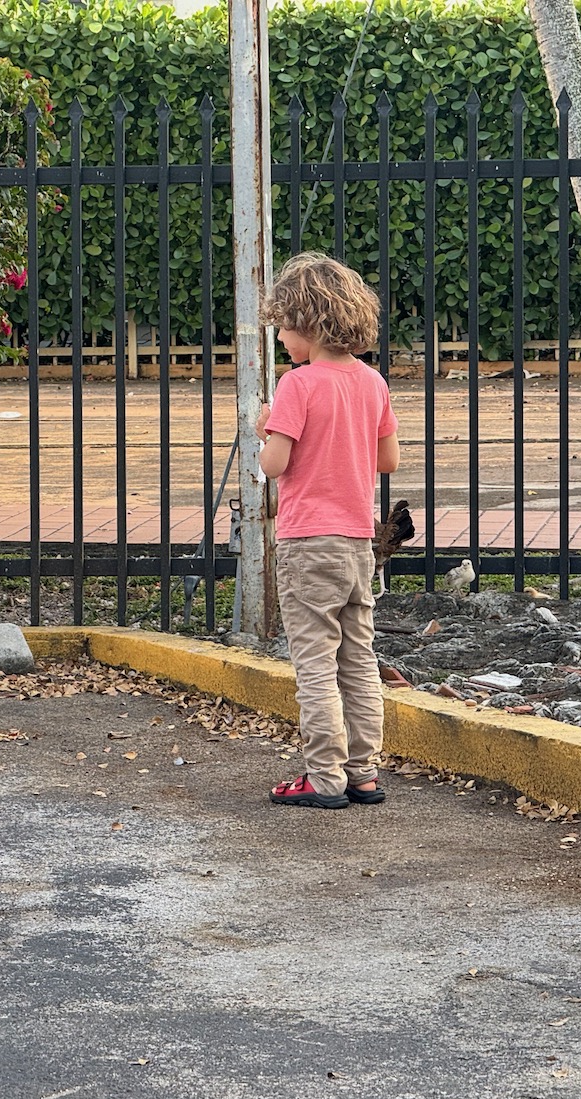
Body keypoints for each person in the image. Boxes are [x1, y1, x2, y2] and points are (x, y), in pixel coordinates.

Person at [254, 252, 400, 809]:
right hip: (357, 542)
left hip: (307, 542)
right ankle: (364, 771)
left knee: (314, 661)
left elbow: (273, 465)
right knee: (358, 660)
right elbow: (387, 461)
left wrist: (265, 426)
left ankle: (324, 776)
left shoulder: (298, 385)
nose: (282, 340)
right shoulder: (372, 383)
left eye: (284, 328)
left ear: (307, 323)